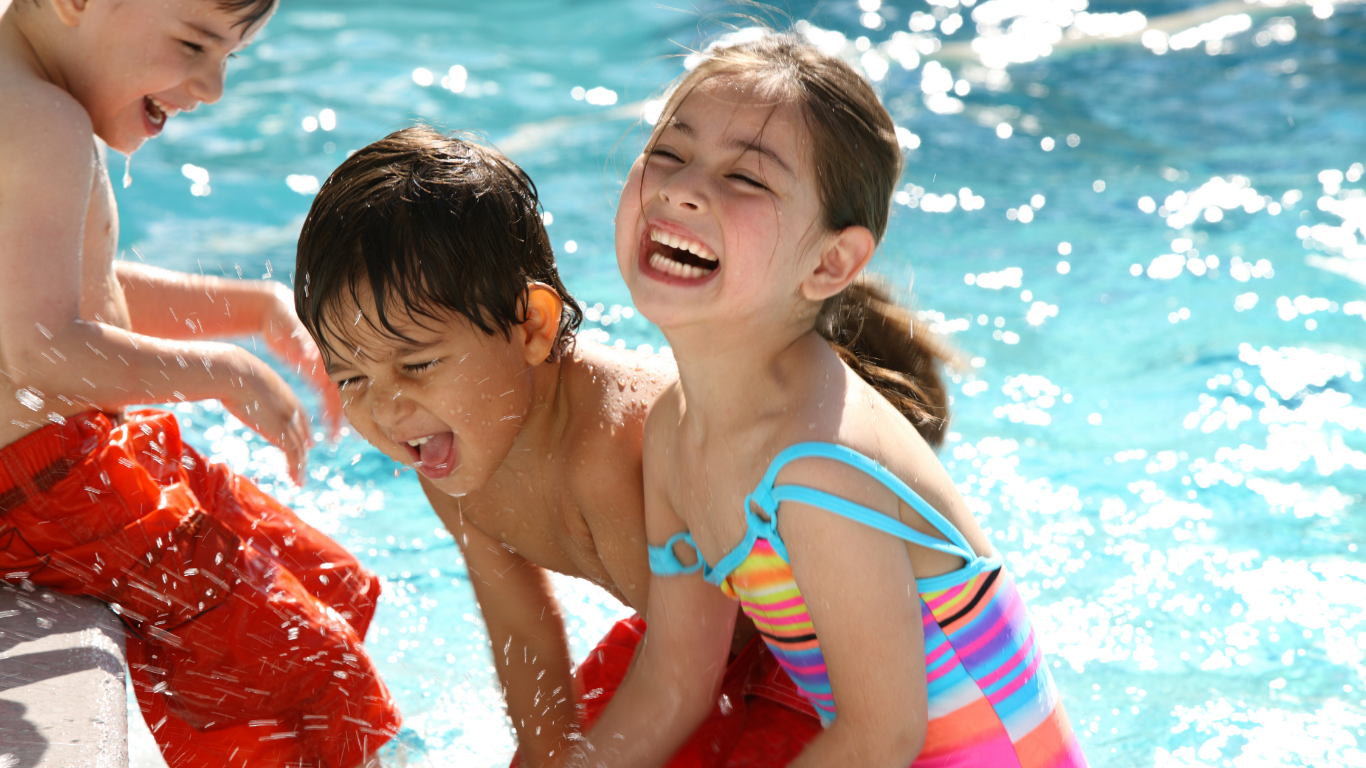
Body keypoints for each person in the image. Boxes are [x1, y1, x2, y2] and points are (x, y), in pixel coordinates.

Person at [293, 126, 955, 766]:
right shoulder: (448, 462)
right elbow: (524, 639)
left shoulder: (616, 453)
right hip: (684, 644)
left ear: (531, 325)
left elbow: (687, 684)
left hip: (813, 662)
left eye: (416, 365)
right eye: (352, 377)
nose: (386, 407)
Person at [555, 30, 1088, 768]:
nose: (682, 187)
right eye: (671, 153)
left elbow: (881, 737)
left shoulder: (819, 468)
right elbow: (675, 684)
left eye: (747, 178)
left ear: (831, 261)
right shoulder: (679, 429)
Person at [0, 0, 399, 765]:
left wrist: (248, 312)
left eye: (229, 56)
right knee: (309, 663)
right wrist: (222, 374)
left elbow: (64, 291)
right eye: (193, 43)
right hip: (46, 491)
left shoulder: (25, 98)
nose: (212, 86)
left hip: (68, 476)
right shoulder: (40, 120)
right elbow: (41, 347)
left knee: (325, 578)